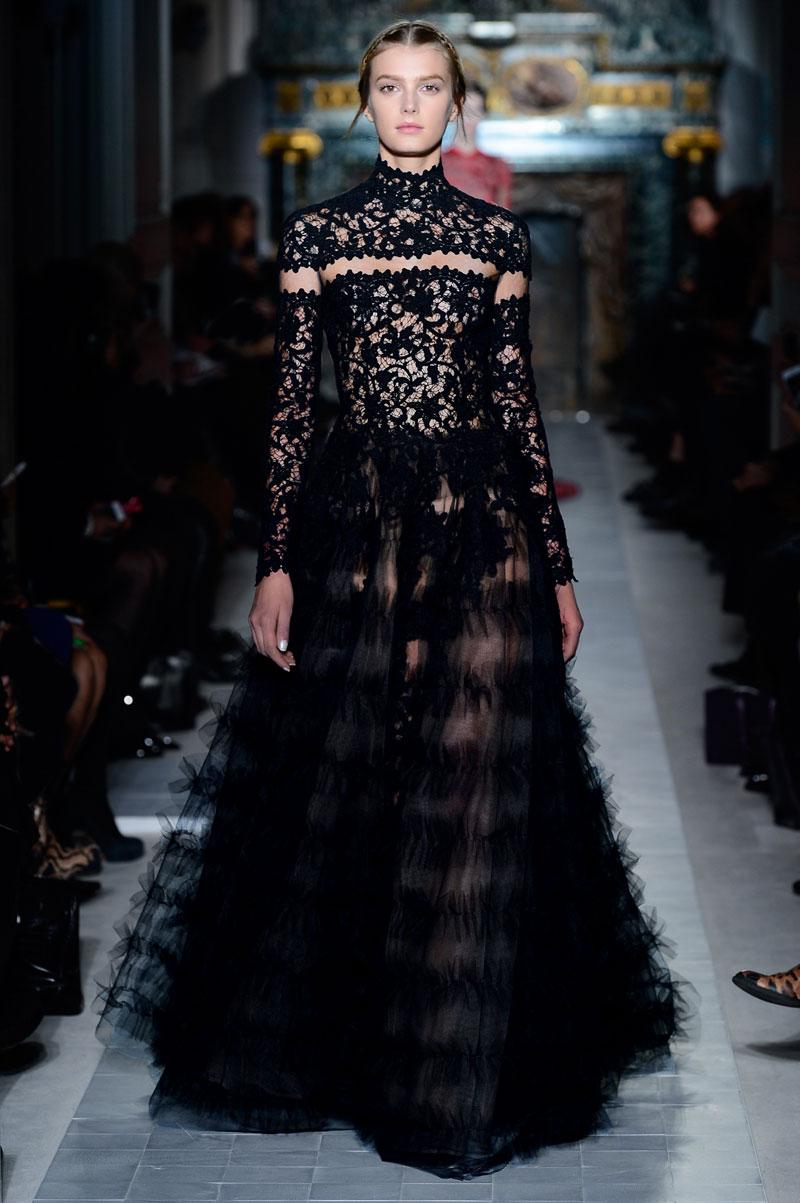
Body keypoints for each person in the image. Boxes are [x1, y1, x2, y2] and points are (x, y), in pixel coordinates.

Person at [95, 19, 691, 1181]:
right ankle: (360, 1043)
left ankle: (448, 1065)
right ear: (362, 102)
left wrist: (557, 567)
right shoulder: (318, 236)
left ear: (456, 105)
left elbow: (515, 408)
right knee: (353, 780)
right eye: (388, 87)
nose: (408, 106)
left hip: (480, 521)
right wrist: (275, 561)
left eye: (427, 88)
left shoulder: (495, 239)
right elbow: (289, 408)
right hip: (355, 517)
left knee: (473, 784)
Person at [441, 81, 512, 208]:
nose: (469, 116)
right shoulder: (434, 164)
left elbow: (505, 213)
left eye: (476, 110)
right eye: (465, 109)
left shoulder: (497, 165)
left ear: (484, 115)